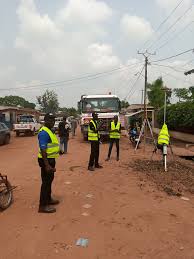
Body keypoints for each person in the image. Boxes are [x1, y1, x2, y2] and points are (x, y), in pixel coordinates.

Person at [38, 113, 60, 213]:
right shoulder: (43, 132)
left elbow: (51, 145)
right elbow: (43, 149)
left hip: (50, 159)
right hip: (45, 160)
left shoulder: (49, 131)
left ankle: (48, 199)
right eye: (50, 120)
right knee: (46, 183)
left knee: (49, 180)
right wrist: (47, 165)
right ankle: (42, 206)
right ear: (45, 120)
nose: (52, 122)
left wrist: (59, 151)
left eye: (53, 120)